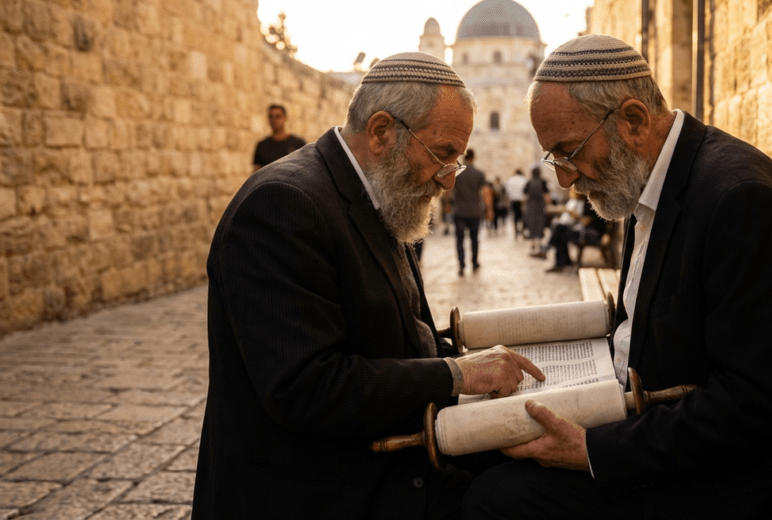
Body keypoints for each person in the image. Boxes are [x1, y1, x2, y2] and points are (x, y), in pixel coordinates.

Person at [463, 35, 772, 519]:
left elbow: (754, 405)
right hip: (671, 444)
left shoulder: (739, 200)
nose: (565, 179)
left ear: (633, 121)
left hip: (735, 488)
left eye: (570, 151)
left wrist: (594, 450)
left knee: (495, 499)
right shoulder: (648, 181)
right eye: (554, 158)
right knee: (476, 458)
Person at [193, 52, 544, 520]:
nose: (446, 179)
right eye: (442, 154)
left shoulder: (379, 194)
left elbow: (399, 335)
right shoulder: (282, 206)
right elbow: (306, 387)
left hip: (377, 460)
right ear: (382, 132)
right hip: (319, 491)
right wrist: (458, 375)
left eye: (456, 161)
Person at [543, 189, 607, 272]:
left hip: (593, 234)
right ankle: (562, 259)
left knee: (559, 230)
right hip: (587, 231)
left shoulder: (591, 204)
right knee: (559, 229)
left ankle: (552, 251)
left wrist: (574, 215)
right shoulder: (586, 203)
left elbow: (585, 221)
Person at [451, 149, 492, 275]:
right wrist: (489, 209)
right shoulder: (479, 173)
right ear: (474, 158)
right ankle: (474, 263)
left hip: (459, 211)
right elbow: (485, 192)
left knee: (459, 240)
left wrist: (448, 205)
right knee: (474, 239)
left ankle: (462, 265)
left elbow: (448, 190)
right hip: (475, 212)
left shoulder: (457, 174)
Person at [252, 104, 305, 171]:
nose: (274, 120)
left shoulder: (298, 143)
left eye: (278, 116)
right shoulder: (262, 145)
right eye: (271, 117)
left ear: (285, 118)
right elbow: (256, 173)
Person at [522, 166, 550, 256]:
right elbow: (547, 194)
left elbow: (524, 193)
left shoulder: (529, 182)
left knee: (532, 223)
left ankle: (533, 243)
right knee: (540, 223)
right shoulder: (543, 181)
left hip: (531, 205)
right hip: (540, 205)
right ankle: (539, 243)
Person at [504, 169, 527, 238]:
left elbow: (507, 190)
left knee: (515, 217)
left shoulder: (510, 180)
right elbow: (526, 191)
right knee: (523, 217)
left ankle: (516, 232)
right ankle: (522, 231)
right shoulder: (524, 179)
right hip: (522, 201)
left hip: (513, 200)